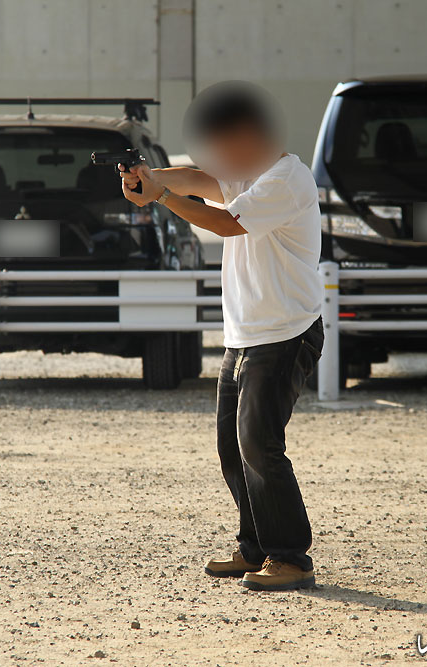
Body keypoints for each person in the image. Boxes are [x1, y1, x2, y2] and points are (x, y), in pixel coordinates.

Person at [117, 82, 324, 591]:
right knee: (232, 449)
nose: (218, 151)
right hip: (245, 333)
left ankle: (291, 557)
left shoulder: (287, 178)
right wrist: (150, 176)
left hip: (284, 332)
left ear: (252, 136)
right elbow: (199, 178)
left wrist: (161, 195)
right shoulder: (245, 171)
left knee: (260, 445)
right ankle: (255, 548)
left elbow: (226, 223)